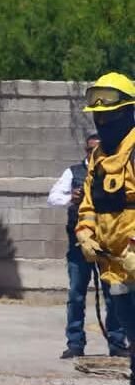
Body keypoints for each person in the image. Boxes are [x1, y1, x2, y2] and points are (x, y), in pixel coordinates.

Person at [72, 71, 135, 385]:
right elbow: (89, 203)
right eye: (98, 116)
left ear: (127, 112)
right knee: (129, 327)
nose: (103, 121)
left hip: (132, 255)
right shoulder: (98, 157)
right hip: (113, 262)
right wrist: (85, 233)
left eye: (109, 115)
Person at [47, 133, 128, 358]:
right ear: (86, 150)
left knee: (114, 294)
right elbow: (53, 197)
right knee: (76, 294)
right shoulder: (73, 172)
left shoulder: (116, 170)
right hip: (79, 245)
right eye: (91, 149)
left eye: (99, 149)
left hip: (107, 245)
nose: (95, 153)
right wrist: (70, 198)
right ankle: (75, 343)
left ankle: (117, 343)